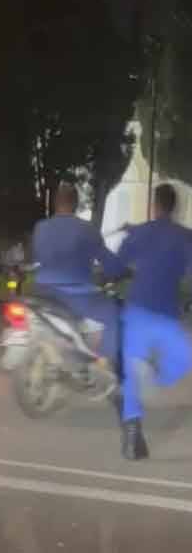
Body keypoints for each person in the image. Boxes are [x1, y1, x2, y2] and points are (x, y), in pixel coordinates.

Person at [113, 184, 192, 460]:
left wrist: (129, 238)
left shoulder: (142, 232)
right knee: (184, 359)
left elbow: (117, 264)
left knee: (132, 372)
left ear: (155, 205)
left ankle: (132, 432)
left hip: (136, 309)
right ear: (175, 207)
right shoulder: (185, 236)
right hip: (166, 314)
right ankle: (154, 381)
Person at [30, 182, 127, 393]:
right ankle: (103, 364)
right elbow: (110, 264)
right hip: (75, 295)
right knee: (114, 314)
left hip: (42, 291)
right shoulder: (87, 230)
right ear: (75, 204)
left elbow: (37, 257)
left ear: (55, 203)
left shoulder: (40, 228)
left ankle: (75, 361)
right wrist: (120, 271)